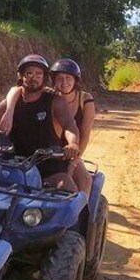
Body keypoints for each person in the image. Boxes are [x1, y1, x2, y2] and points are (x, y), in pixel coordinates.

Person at [0, 54, 81, 190]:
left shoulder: (55, 101)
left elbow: (69, 125)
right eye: (29, 73)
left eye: (39, 74)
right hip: (13, 160)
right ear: (21, 76)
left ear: (44, 78)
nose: (34, 78)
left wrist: (72, 144)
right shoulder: (10, 102)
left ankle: (83, 212)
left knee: (68, 189)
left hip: (47, 164)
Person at [50, 58, 96, 195]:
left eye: (68, 78)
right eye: (60, 78)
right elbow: (21, 91)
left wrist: (73, 163)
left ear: (76, 80)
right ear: (54, 80)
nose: (64, 82)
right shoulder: (48, 96)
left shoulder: (85, 100)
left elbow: (85, 135)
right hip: (47, 150)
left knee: (85, 181)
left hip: (71, 153)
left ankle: (81, 215)